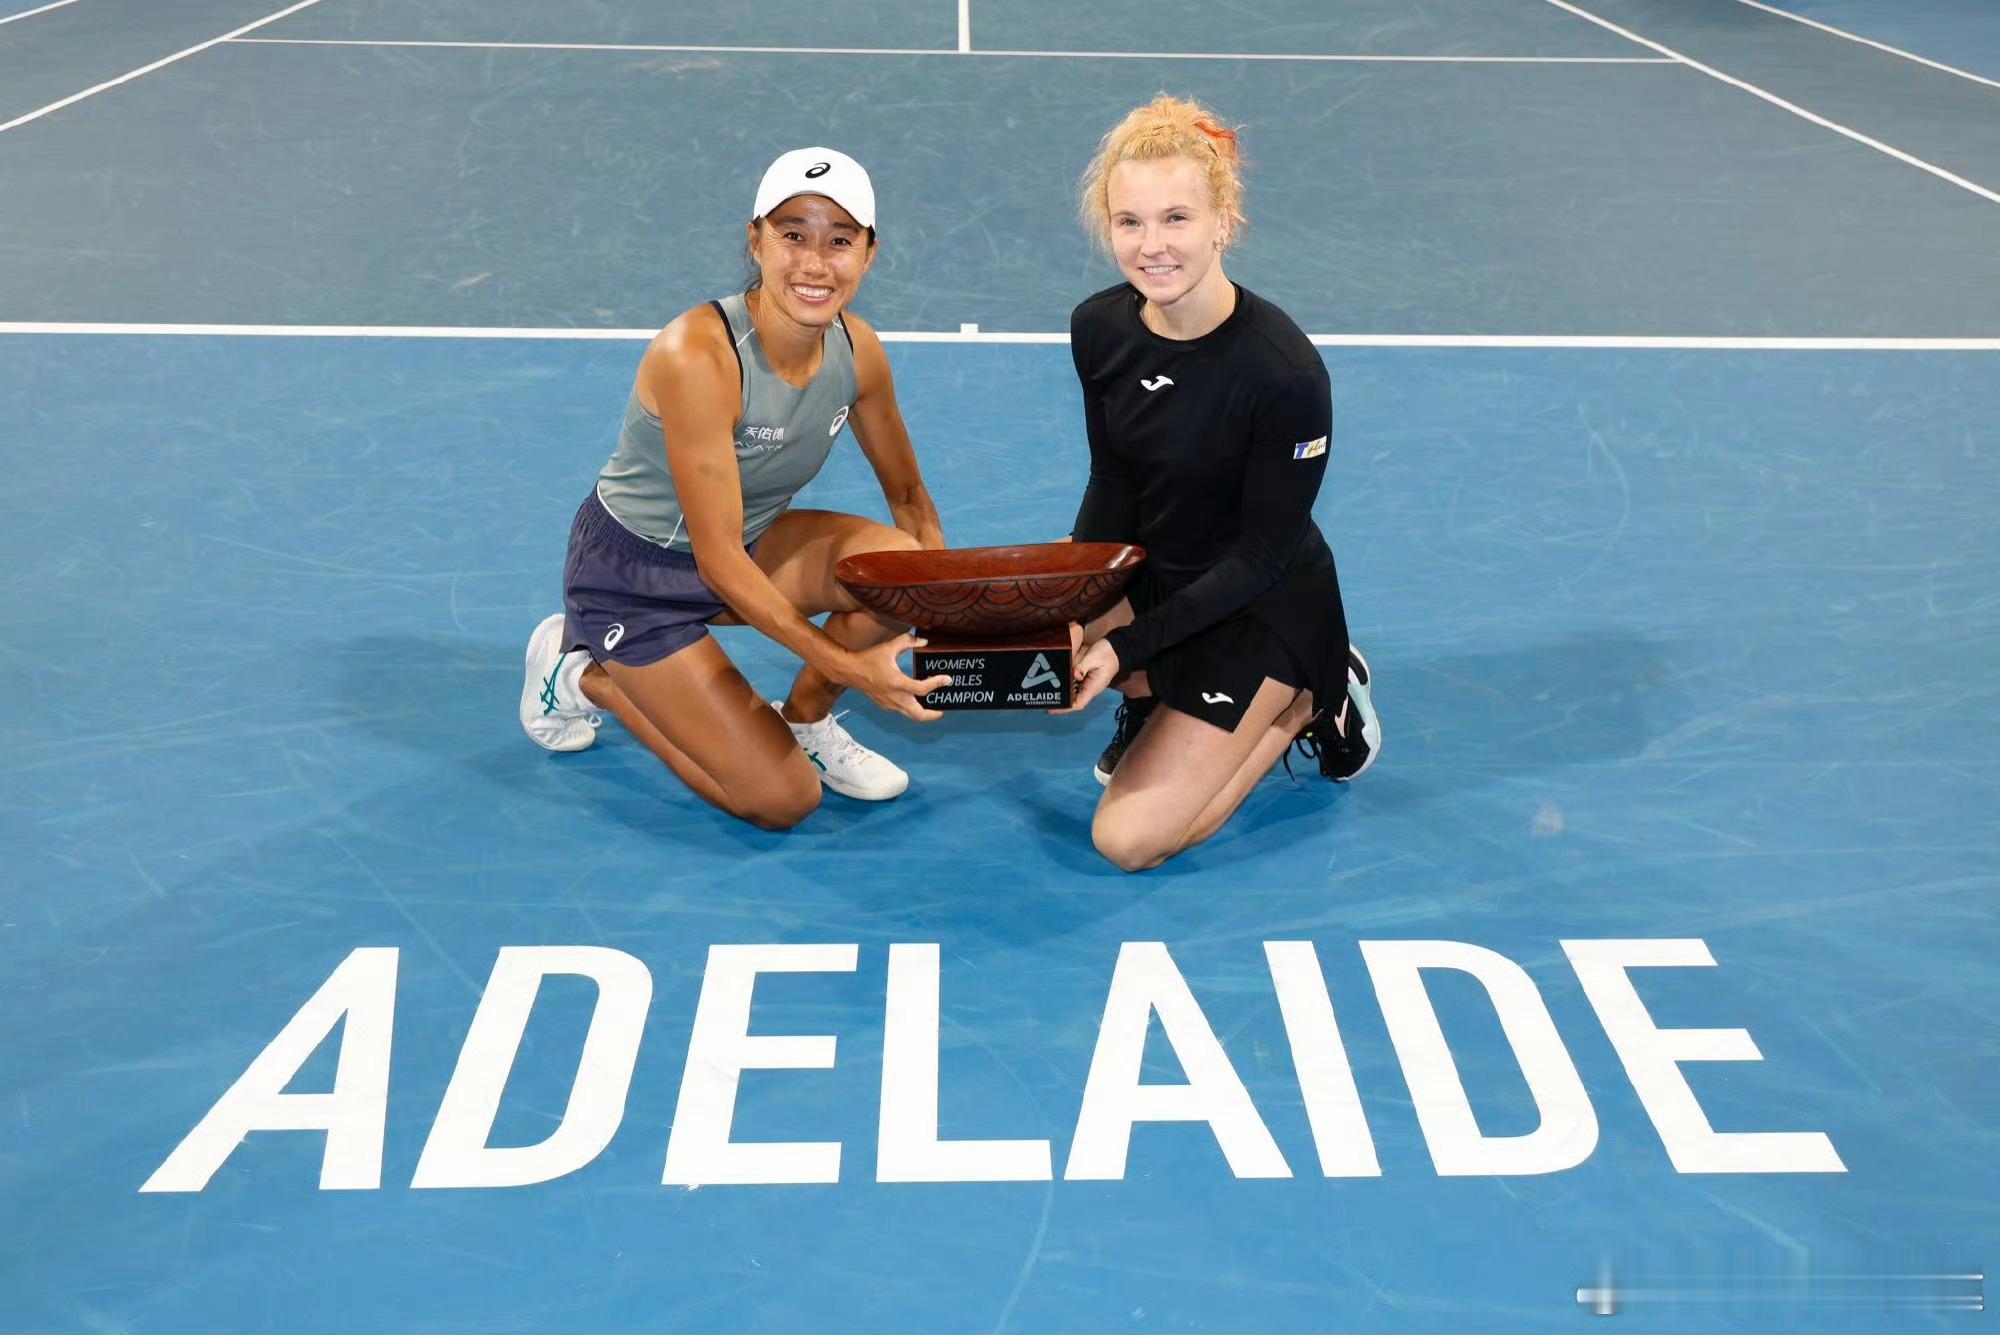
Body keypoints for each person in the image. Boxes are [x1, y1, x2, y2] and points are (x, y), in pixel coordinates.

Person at [518, 147, 952, 830]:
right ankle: (577, 673)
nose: (814, 263)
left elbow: (910, 499)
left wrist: (942, 610)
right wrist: (855, 667)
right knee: (780, 799)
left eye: (840, 241)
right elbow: (717, 562)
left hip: (748, 546)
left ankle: (805, 724)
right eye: (792, 236)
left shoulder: (857, 350)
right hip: (636, 577)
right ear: (755, 241)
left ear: (869, 253)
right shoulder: (698, 355)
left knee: (906, 570)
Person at [1061, 95, 1382, 872]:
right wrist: (1067, 608)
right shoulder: (1100, 328)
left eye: (1176, 219)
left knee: (1127, 839)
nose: (1152, 245)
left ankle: (1317, 695)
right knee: (1048, 642)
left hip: (1262, 600)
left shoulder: (1285, 372)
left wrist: (1125, 643)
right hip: (1163, 571)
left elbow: (1263, 557)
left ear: (1222, 222)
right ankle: (1150, 705)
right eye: (1130, 221)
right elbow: (1112, 478)